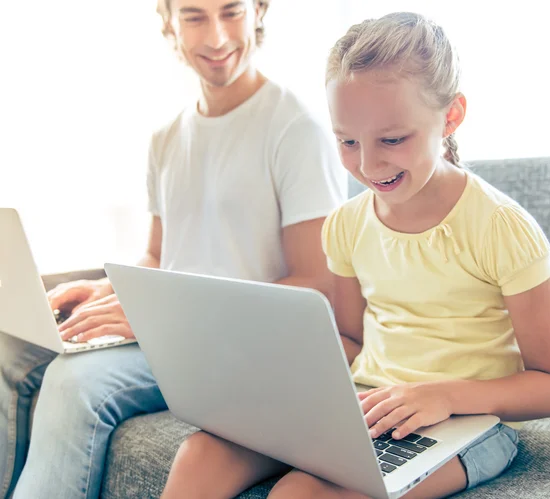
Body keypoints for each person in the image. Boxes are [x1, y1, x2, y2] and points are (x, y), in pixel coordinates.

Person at [160, 11, 550, 499]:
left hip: (470, 425)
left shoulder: (500, 228)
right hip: (366, 407)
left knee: (299, 494)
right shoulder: (347, 225)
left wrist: (442, 395)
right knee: (201, 454)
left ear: (451, 116)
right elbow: (350, 341)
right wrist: (269, 379)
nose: (367, 164)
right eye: (347, 141)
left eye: (393, 139)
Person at [0, 0, 346, 497]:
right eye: (195, 16)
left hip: (227, 342)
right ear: (169, 23)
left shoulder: (296, 129)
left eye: (231, 12)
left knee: (73, 383)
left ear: (258, 12)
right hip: (169, 331)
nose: (218, 37)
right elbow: (160, 258)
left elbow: (318, 288)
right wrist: (104, 289)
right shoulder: (167, 138)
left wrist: (160, 317)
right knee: (11, 346)